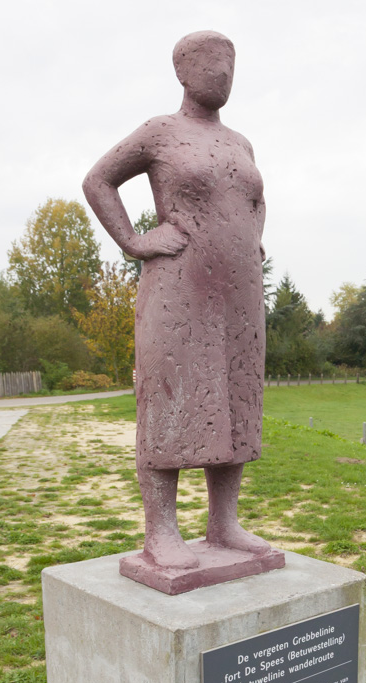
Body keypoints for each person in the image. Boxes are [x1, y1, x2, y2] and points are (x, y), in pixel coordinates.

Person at [83, 30, 272, 575]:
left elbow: (258, 199)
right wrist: (135, 241)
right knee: (171, 399)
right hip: (178, 288)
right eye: (210, 62)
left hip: (238, 292)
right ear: (183, 71)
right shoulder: (160, 132)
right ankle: (161, 529)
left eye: (229, 63)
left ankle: (224, 521)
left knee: (236, 400)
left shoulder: (241, 143)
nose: (222, 73)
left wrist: (252, 239)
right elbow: (98, 180)